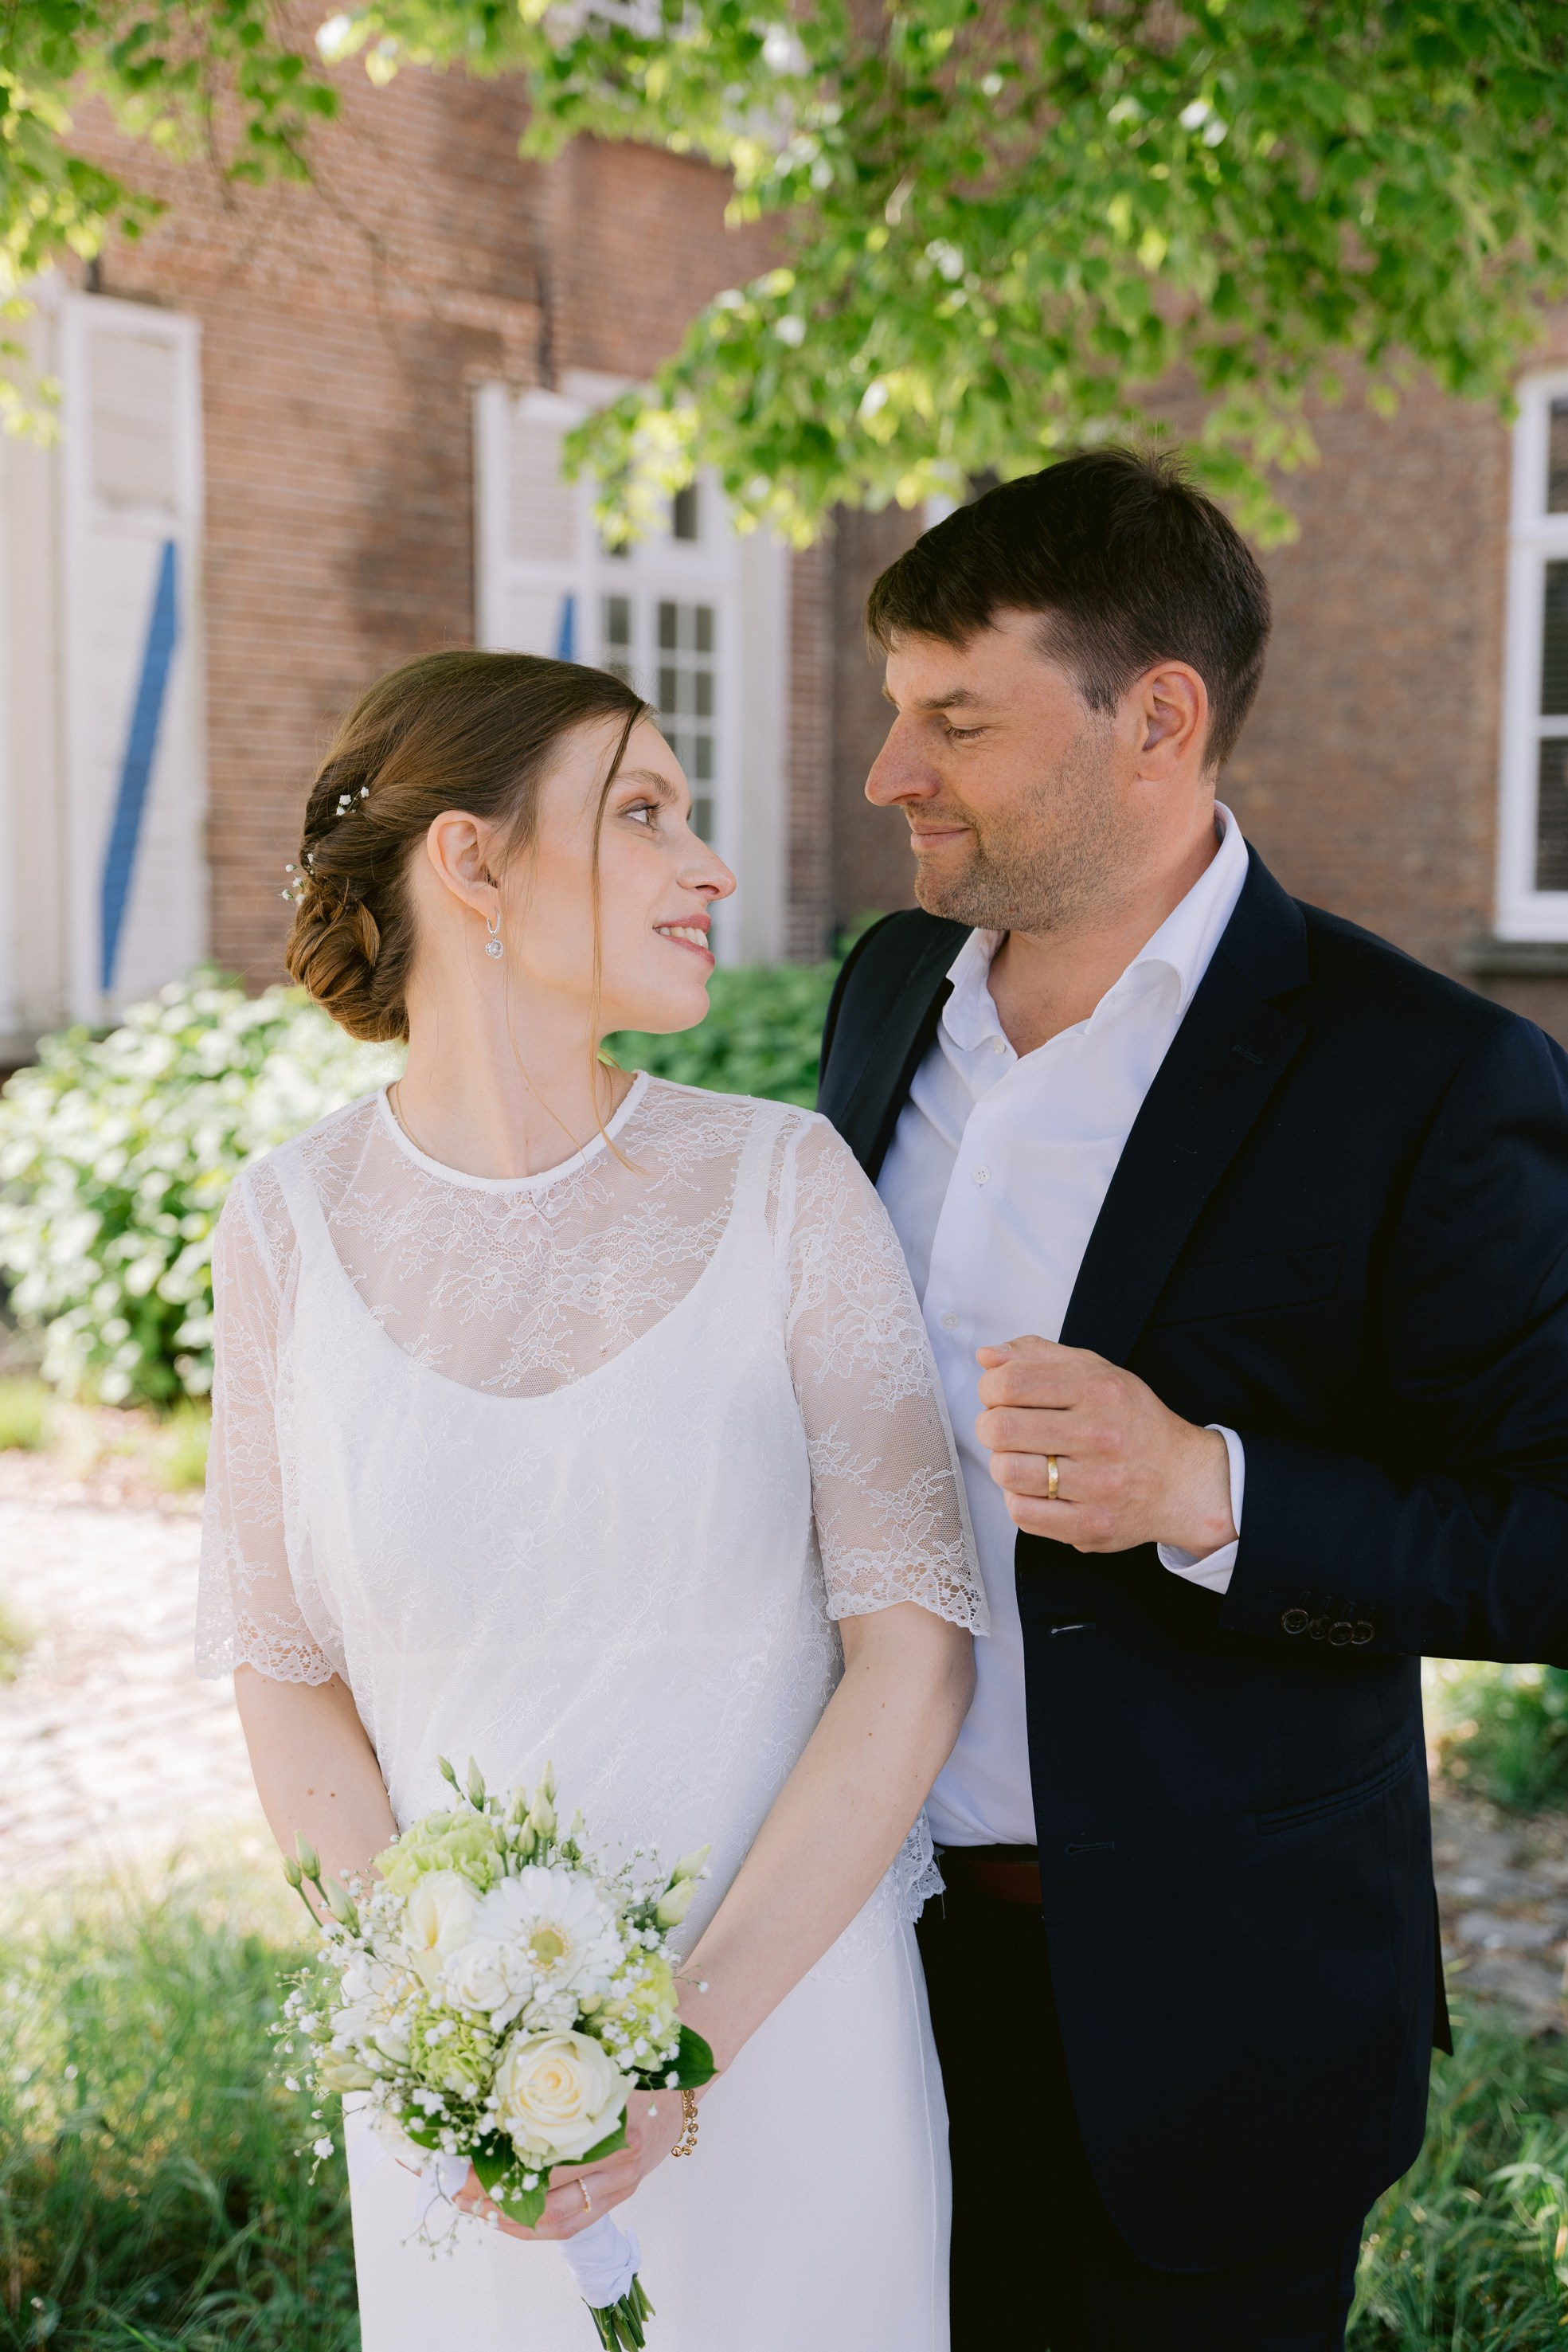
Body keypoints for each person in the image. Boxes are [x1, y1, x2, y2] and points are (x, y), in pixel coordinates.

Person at [816, 448, 1568, 2352]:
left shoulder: (1428, 1078)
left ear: (1156, 719)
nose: (891, 771)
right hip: (850, 1975)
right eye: (897, 710)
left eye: (956, 720)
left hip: (1205, 2029)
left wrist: (1207, 1491)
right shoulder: (888, 989)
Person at [196, 649, 983, 2350]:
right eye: (643, 813)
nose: (711, 866)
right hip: (469, 2126)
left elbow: (914, 1653)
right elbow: (285, 1670)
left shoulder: (786, 1185)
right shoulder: (283, 1227)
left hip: (794, 2047)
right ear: (471, 861)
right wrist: (451, 2036)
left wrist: (675, 2050)